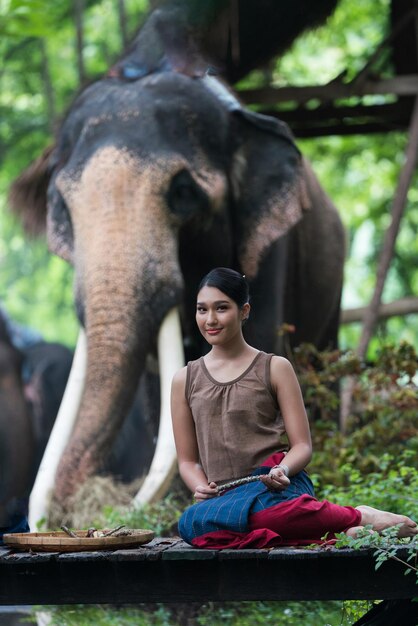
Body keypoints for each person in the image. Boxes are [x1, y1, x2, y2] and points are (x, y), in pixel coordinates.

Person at [170, 267, 417, 549]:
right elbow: (188, 462)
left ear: (244, 311)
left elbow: (302, 446)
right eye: (202, 310)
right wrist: (200, 486)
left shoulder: (274, 367)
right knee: (190, 524)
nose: (210, 319)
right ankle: (343, 534)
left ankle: (361, 516)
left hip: (274, 489)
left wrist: (283, 469)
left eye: (222, 308)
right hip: (224, 499)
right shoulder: (184, 379)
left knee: (270, 517)